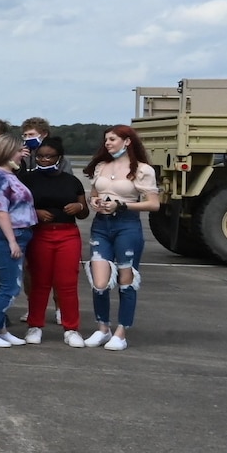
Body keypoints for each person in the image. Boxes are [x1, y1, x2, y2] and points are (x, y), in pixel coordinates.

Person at [84, 126, 159, 351]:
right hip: (101, 226)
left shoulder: (143, 169)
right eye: (106, 139)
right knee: (99, 282)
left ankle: (121, 332)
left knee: (127, 281)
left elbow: (154, 203)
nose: (107, 143)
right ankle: (102, 328)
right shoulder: (101, 166)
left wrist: (122, 205)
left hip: (126, 225)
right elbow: (94, 194)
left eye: (113, 139)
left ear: (127, 142)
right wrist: (94, 202)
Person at [22, 141, 87, 347]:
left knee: (67, 283)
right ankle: (35, 326)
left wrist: (78, 206)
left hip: (68, 234)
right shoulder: (27, 179)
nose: (44, 160)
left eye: (49, 156)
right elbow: (18, 208)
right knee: (40, 282)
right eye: (40, 156)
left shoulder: (71, 181)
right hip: (40, 233)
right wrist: (36, 212)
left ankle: (71, 329)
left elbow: (84, 212)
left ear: (59, 158)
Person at [0, 136, 37, 349]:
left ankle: (0, 327)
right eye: (19, 151)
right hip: (6, 236)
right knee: (10, 287)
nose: (23, 154)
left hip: (18, 234)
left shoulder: (9, 175)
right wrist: (12, 241)